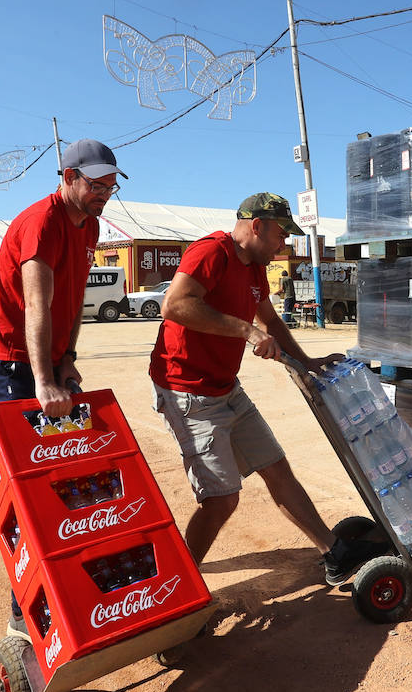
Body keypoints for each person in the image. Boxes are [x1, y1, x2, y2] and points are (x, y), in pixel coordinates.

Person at [150, 192, 389, 586]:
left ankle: (334, 554)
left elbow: (271, 322)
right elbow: (174, 305)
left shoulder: (254, 266)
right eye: (281, 235)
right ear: (256, 226)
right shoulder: (211, 253)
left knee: (276, 468)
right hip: (188, 392)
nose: (285, 244)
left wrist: (307, 363)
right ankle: (175, 582)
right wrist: (245, 330)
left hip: (226, 387)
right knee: (222, 498)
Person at [0, 138, 124, 633]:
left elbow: (75, 295)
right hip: (13, 361)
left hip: (49, 360)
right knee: (31, 481)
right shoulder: (40, 223)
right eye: (96, 183)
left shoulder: (91, 227)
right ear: (67, 178)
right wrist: (43, 379)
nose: (105, 191)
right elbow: (37, 306)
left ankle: (75, 571)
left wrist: (68, 361)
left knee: (70, 471)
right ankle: (27, 609)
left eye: (111, 183)